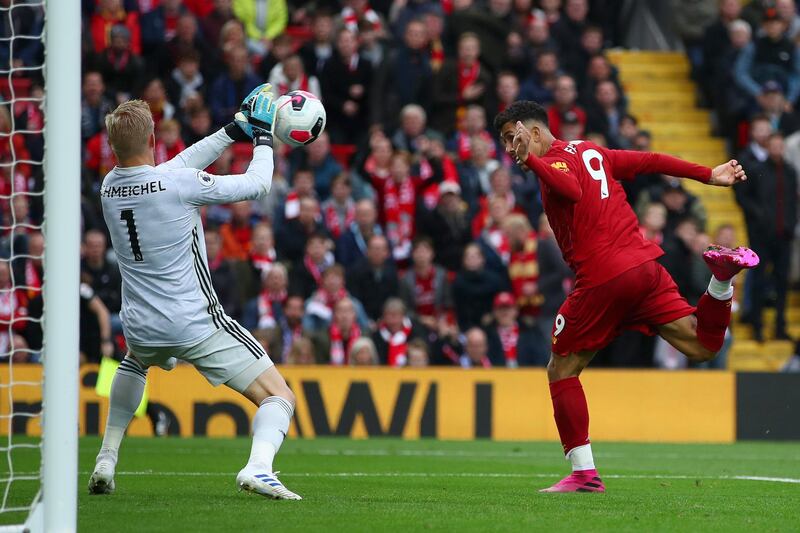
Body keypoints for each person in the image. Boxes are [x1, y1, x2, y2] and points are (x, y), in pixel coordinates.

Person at [494, 101, 758, 493]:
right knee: (703, 345)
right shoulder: (591, 151)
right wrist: (707, 175)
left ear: (530, 131)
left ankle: (583, 474)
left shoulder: (551, 162)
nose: (509, 148)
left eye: (510, 138)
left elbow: (569, 188)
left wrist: (531, 164)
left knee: (561, 369)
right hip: (644, 267)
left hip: (603, 277)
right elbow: (649, 160)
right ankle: (720, 282)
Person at [89, 85, 302, 499]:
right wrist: (261, 135)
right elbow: (257, 185)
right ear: (152, 140)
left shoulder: (109, 187)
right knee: (279, 395)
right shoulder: (179, 185)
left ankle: (106, 458)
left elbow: (171, 167)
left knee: (135, 362)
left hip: (140, 324)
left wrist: (231, 130)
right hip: (194, 321)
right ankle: (259, 467)